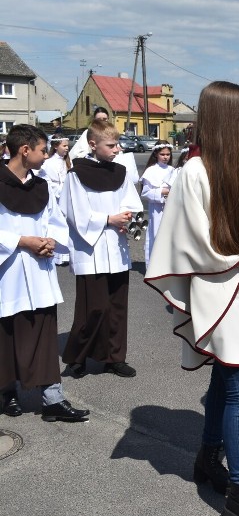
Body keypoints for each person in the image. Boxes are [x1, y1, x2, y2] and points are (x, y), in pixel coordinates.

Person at [144, 80, 239, 516]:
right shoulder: (195, 172)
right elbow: (188, 238)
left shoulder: (238, 166)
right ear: (223, 118)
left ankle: (207, 458)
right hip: (220, 290)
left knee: (226, 379)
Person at [0, 124, 89, 422]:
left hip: (39, 274)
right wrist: (20, 241)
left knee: (44, 335)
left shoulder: (41, 185)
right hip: (8, 273)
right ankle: (6, 392)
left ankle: (52, 400)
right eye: (41, 150)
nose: (46, 156)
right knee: (6, 335)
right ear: (25, 150)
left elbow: (55, 220)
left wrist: (50, 240)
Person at [60, 119, 143, 379]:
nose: (117, 149)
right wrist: (108, 219)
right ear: (93, 144)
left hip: (116, 247)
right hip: (91, 249)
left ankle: (114, 358)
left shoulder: (120, 172)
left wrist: (127, 218)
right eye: (111, 145)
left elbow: (131, 202)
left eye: (117, 144)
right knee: (92, 306)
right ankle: (78, 357)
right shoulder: (76, 175)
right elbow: (74, 212)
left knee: (117, 305)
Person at [139, 141, 175, 266]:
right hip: (157, 210)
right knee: (156, 235)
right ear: (156, 154)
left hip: (171, 209)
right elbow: (145, 192)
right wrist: (163, 191)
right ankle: (154, 266)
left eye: (168, 154)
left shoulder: (173, 170)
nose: (165, 157)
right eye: (162, 154)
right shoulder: (151, 171)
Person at [39, 134, 72, 265]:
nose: (66, 148)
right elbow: (47, 182)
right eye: (64, 146)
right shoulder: (48, 163)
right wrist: (59, 189)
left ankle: (66, 255)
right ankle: (57, 255)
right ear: (55, 146)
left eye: (67, 146)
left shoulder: (68, 161)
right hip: (56, 197)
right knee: (57, 222)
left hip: (67, 196)